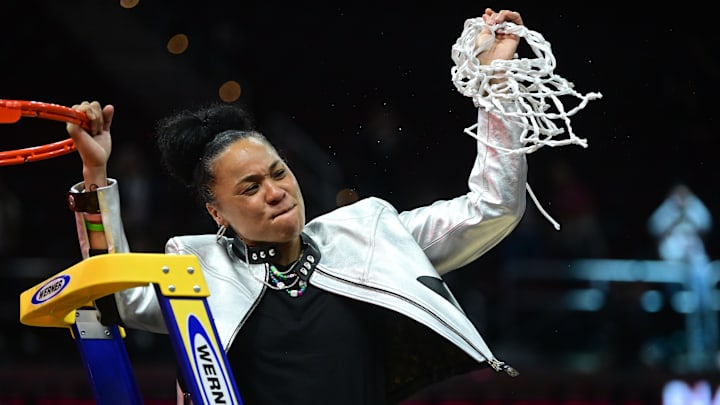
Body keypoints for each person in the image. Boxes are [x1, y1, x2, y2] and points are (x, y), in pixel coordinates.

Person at [66, 8, 530, 404]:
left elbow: (493, 207)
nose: (275, 191)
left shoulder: (370, 233)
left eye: (278, 173)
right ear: (217, 213)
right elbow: (114, 296)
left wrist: (496, 84)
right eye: (249, 188)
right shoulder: (193, 269)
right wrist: (94, 173)